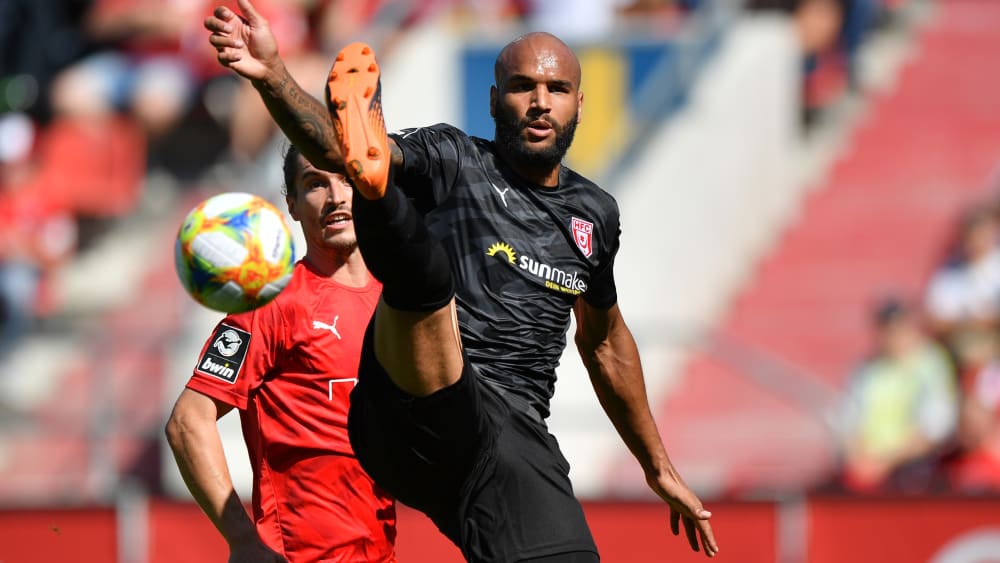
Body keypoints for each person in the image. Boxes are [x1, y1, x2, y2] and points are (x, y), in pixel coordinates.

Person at [204, 1, 719, 560]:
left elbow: (605, 343)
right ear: (495, 100)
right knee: (423, 274)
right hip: (409, 407)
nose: (540, 101)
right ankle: (376, 192)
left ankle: (377, 193)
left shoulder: (594, 215)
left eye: (557, 88)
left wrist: (658, 467)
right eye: (522, 86)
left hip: (509, 442)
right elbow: (331, 151)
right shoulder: (452, 156)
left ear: (579, 103)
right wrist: (276, 77)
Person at [164, 145, 397, 563]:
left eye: (346, 179)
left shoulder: (396, 300)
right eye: (314, 184)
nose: (336, 197)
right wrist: (242, 540)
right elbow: (187, 422)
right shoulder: (272, 302)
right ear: (290, 204)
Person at [838, 297, 958, 494]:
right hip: (869, 466)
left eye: (897, 328)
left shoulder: (931, 364)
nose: (891, 336)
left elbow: (934, 429)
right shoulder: (866, 370)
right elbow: (848, 422)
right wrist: (860, 458)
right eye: (886, 329)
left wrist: (884, 462)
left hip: (914, 468)